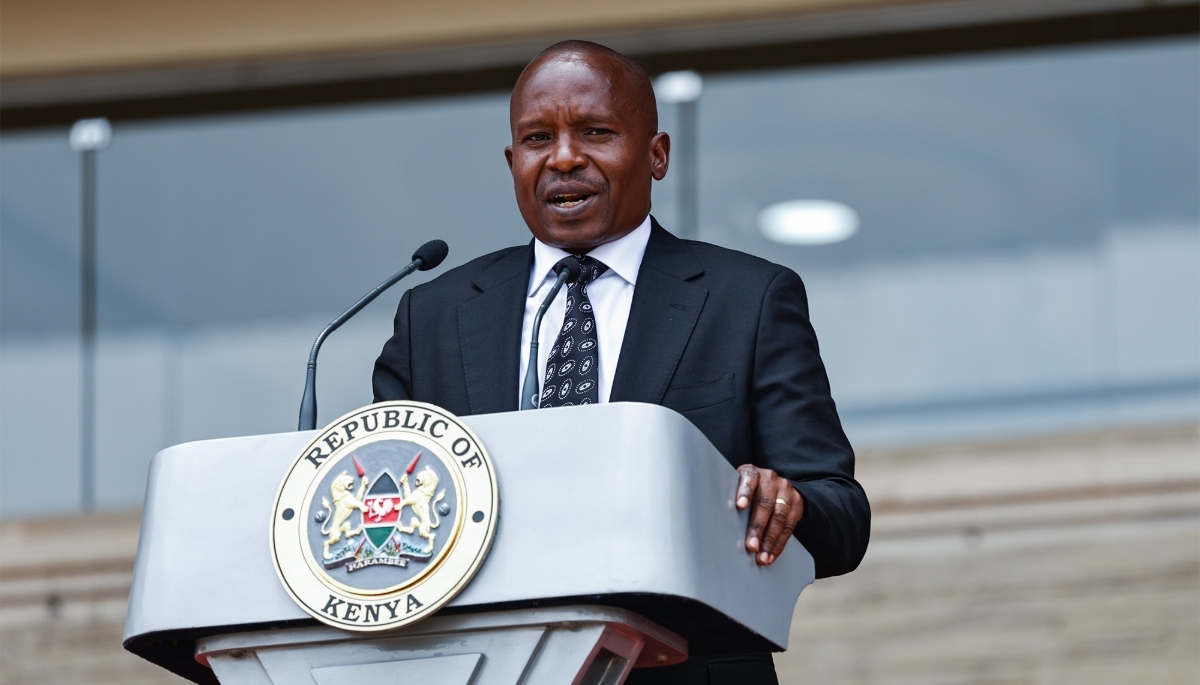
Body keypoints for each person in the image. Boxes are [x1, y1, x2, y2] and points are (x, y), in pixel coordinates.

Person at [373, 40, 870, 684]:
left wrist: (787, 501)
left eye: (595, 132)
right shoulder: (431, 316)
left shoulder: (747, 299)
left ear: (657, 155)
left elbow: (842, 514)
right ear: (511, 160)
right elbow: (387, 502)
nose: (564, 158)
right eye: (536, 138)